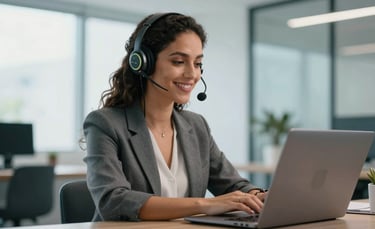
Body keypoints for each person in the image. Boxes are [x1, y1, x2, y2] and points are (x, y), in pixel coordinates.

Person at [83, 12, 266, 222]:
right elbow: (113, 201)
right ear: (143, 63)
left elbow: (233, 185)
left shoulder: (196, 126)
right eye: (179, 61)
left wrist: (258, 197)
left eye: (197, 64)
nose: (192, 74)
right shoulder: (105, 123)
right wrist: (205, 205)